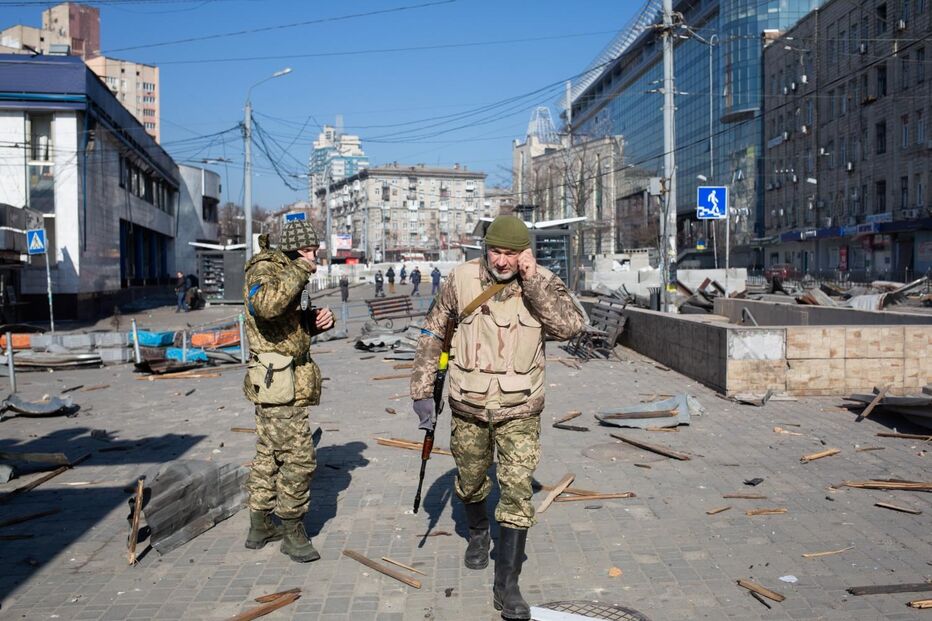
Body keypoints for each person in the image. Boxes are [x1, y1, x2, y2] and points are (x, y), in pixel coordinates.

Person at [409, 216, 584, 620]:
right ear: (485, 249)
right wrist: (421, 390)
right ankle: (477, 531)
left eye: (510, 254)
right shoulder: (461, 279)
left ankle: (507, 587)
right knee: (470, 480)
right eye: (496, 252)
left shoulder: (542, 281)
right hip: (468, 405)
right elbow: (433, 332)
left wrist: (533, 279)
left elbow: (569, 327)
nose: (502, 261)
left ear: (524, 253)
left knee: (517, 492)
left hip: (520, 408)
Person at [242, 220, 335, 563]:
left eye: (315, 251)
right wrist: (300, 268)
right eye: (308, 251)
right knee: (299, 459)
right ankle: (292, 531)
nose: (313, 258)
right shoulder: (265, 269)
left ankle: (260, 525)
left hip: (284, 378)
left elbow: (282, 324)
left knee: (269, 454)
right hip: (277, 382)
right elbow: (266, 306)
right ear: (293, 251)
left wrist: (315, 322)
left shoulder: (287, 270)